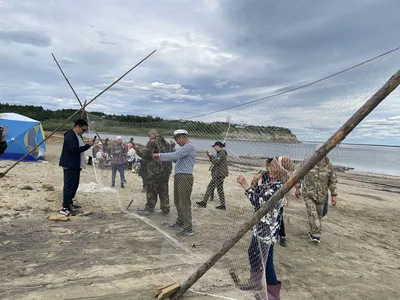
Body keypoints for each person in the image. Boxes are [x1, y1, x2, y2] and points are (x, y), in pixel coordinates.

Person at [236, 157, 288, 300]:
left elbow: (258, 202)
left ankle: (272, 295)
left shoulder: (279, 186)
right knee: (252, 251)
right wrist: (254, 182)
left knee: (267, 262)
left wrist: (245, 185)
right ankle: (255, 282)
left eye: (274, 167)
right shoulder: (270, 182)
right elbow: (259, 193)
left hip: (268, 230)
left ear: (282, 170)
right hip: (260, 226)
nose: (270, 169)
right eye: (269, 166)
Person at [153, 129, 196, 236]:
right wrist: (170, 153)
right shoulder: (183, 149)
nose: (176, 141)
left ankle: (188, 228)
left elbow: (175, 156)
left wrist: (159, 155)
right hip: (179, 176)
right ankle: (181, 221)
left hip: (185, 177)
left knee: (184, 202)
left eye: (177, 139)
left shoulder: (188, 147)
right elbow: (175, 159)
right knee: (178, 201)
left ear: (182, 137)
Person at [295, 145, 338, 243]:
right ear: (315, 152)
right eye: (318, 151)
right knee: (313, 213)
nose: (320, 153)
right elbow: (299, 175)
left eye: (323, 151)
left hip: (321, 196)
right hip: (308, 193)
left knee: (318, 216)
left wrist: (334, 195)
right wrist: (297, 188)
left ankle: (311, 232)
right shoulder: (307, 162)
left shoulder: (328, 165)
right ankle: (316, 235)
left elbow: (332, 181)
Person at [59, 119, 95, 216]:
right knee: (69, 186)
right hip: (70, 164)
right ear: (78, 127)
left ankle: (70, 203)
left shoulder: (78, 135)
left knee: (74, 185)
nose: (84, 132)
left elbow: (79, 145)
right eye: (83, 130)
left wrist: (87, 143)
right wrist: (88, 145)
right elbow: (74, 149)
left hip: (76, 165)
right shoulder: (70, 135)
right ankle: (65, 207)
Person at [135, 129, 173, 216]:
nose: (149, 137)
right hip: (165, 170)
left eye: (149, 135)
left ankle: (149, 208)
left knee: (151, 190)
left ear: (153, 134)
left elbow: (146, 154)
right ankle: (165, 209)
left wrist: (137, 148)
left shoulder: (152, 142)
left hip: (154, 170)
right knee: (164, 190)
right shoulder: (166, 143)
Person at [196, 141, 228, 209]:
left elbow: (216, 162)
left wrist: (210, 155)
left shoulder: (221, 152)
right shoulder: (220, 153)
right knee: (220, 189)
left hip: (219, 174)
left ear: (217, 146)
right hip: (220, 174)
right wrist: (211, 156)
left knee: (210, 187)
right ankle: (223, 205)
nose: (214, 148)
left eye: (214, 147)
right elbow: (216, 161)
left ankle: (204, 202)